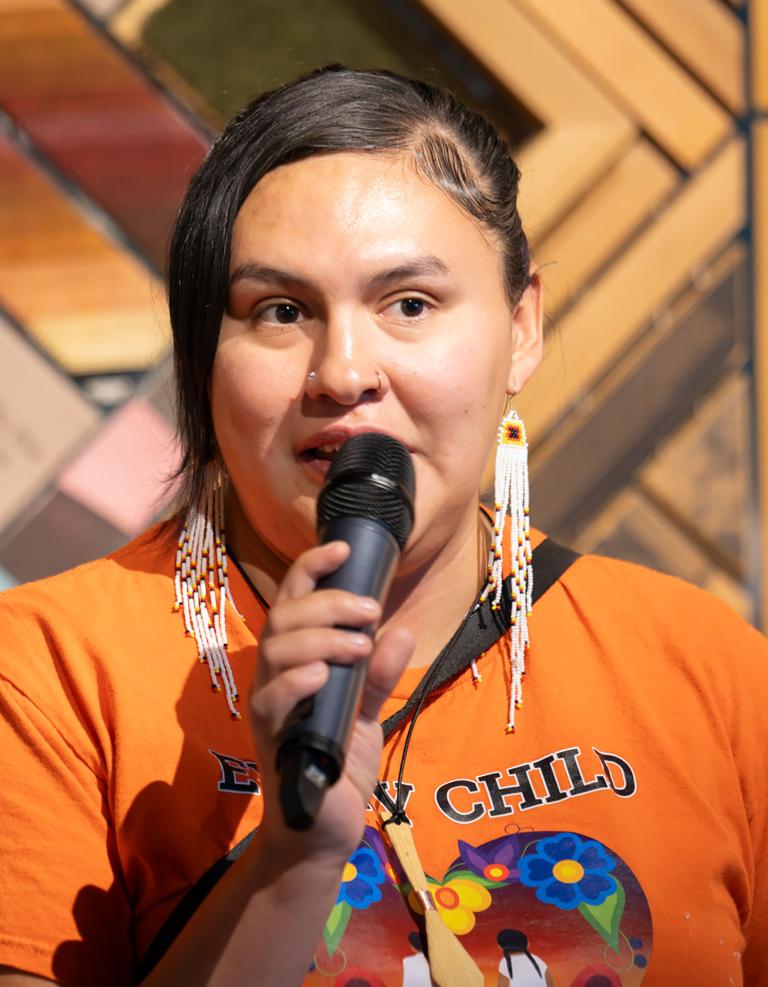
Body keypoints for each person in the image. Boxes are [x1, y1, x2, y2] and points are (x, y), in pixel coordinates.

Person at [0, 65, 766, 987]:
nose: (344, 371)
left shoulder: (708, 667)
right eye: (281, 312)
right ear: (205, 354)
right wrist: (288, 866)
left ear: (521, 326)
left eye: (410, 303)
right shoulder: (46, 677)